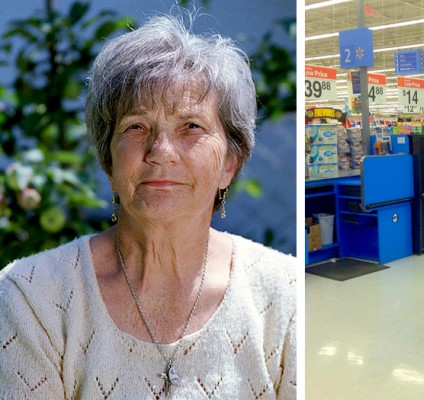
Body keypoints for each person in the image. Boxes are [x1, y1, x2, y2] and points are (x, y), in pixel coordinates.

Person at [0, 15, 296, 399]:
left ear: (229, 163)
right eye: (137, 126)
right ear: (109, 157)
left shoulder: (284, 296)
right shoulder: (30, 297)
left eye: (191, 127)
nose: (161, 152)